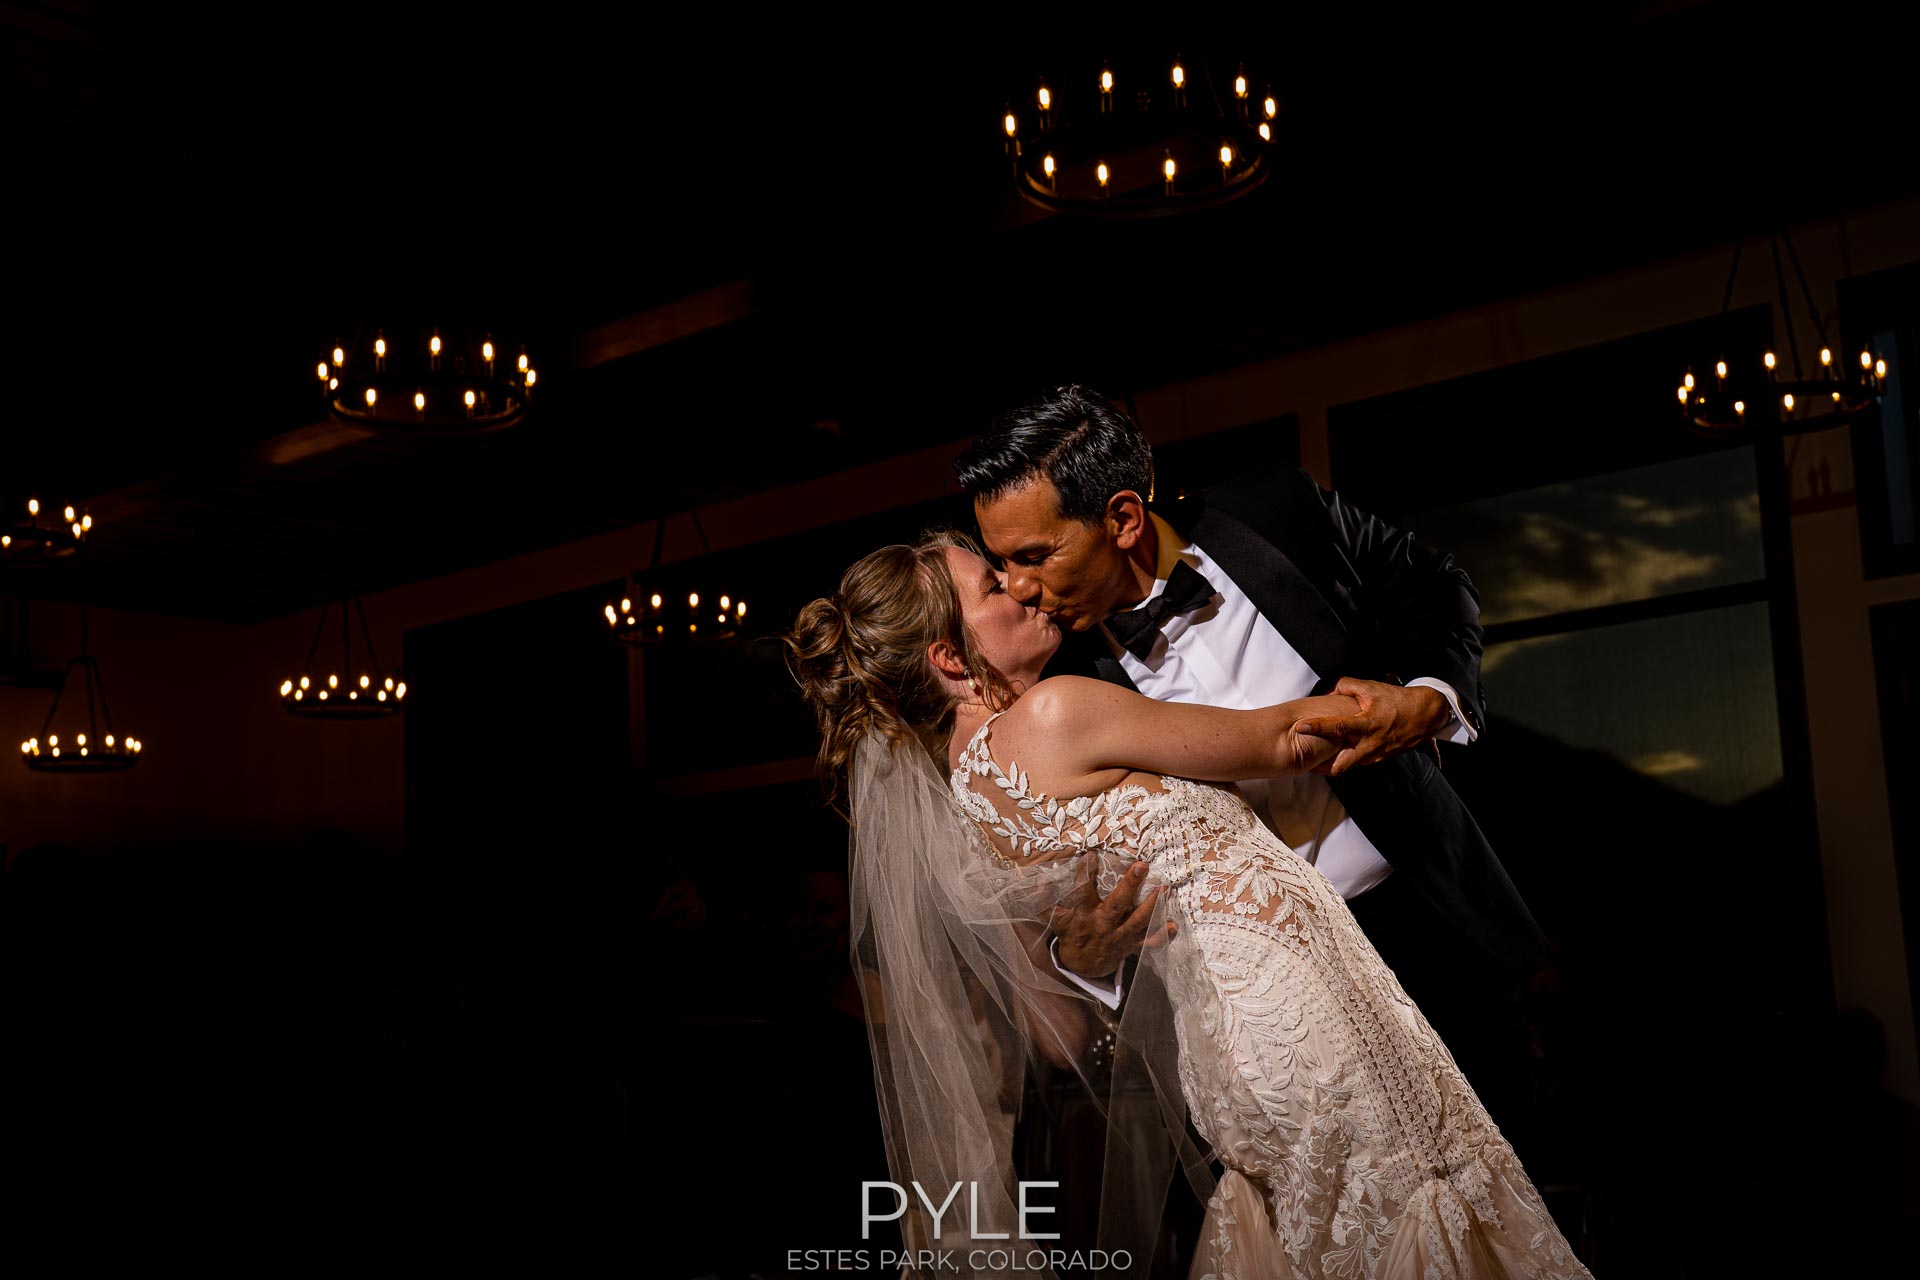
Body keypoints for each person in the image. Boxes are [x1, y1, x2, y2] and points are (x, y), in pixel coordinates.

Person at [785, 531, 1591, 1279]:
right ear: (949, 660)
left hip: (1226, 1042)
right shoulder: (1054, 712)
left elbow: (1078, 941)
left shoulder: (971, 794)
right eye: (994, 586)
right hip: (1297, 1012)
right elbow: (1283, 741)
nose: (1025, 590)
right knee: (1415, 1205)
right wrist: (1418, 700)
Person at [954, 387, 1548, 1110]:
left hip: (1436, 912)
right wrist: (1082, 960)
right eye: (1001, 563)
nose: (1018, 587)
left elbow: (1432, 583)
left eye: (1033, 556)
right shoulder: (1062, 687)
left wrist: (1429, 700)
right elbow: (1055, 889)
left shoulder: (1273, 509)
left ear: (1122, 518)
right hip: (1278, 1011)